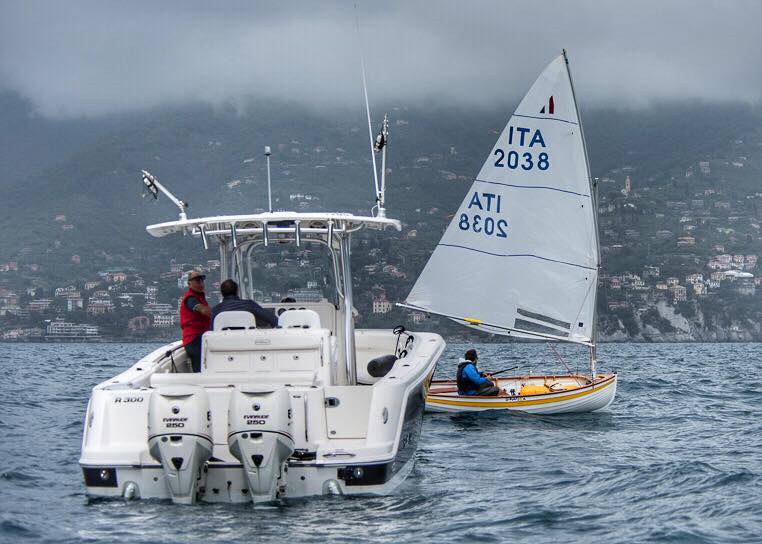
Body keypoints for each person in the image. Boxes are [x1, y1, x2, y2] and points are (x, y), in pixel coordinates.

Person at [212, 279, 279, 328]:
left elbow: (210, 331)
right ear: (237, 291)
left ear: (222, 293)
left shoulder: (215, 311)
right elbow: (274, 320)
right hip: (248, 344)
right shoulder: (249, 305)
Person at [179, 270, 211, 373]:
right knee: (199, 368)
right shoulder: (190, 298)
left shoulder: (199, 296)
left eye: (201, 280)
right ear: (189, 283)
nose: (201, 282)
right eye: (197, 280)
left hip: (201, 337)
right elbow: (201, 309)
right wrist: (216, 313)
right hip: (194, 339)